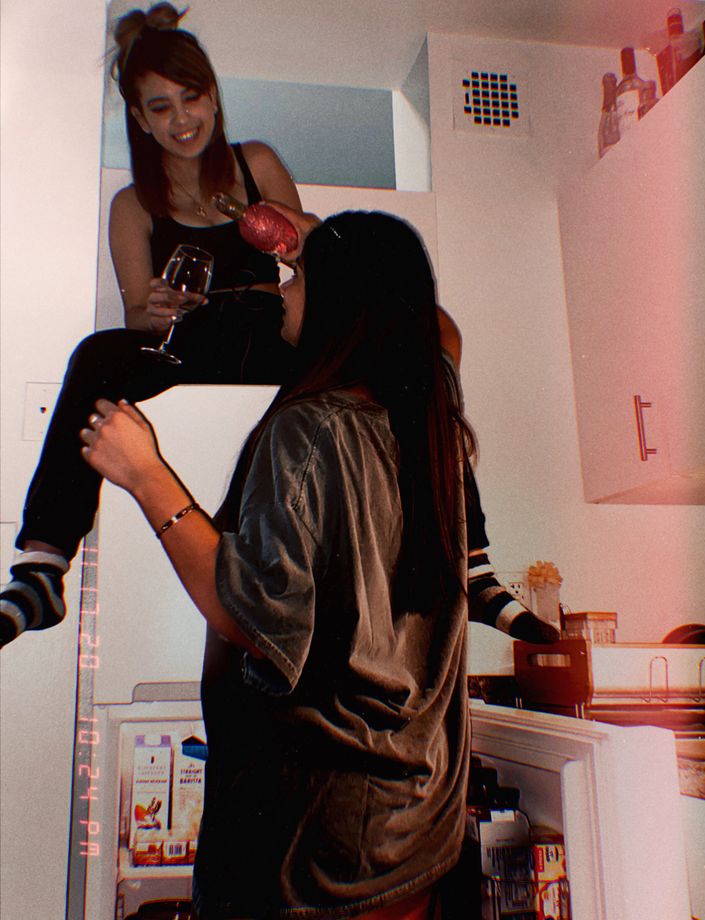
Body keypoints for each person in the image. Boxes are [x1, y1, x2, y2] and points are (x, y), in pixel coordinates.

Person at [80, 210, 472, 919]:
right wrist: (322, 241)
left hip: (313, 853)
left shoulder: (311, 426)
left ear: (340, 299)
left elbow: (253, 619)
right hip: (414, 837)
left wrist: (146, 476)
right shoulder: (430, 417)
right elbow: (442, 330)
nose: (283, 290)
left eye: (297, 278)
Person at [0, 3, 302, 646]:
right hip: (191, 344)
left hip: (265, 334)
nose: (181, 119)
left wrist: (255, 216)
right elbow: (138, 310)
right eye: (159, 107)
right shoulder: (132, 203)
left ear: (213, 97)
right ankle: (43, 566)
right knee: (98, 353)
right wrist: (158, 307)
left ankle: (466, 558)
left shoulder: (258, 162)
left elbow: (312, 256)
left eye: (190, 98)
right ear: (139, 118)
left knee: (388, 343)